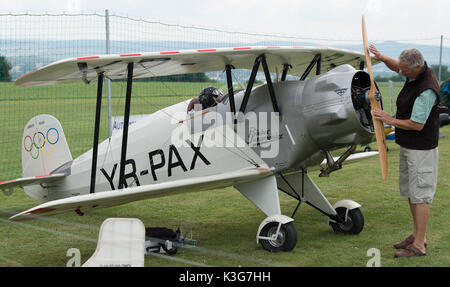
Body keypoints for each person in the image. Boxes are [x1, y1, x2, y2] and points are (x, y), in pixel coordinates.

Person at [369, 45, 441, 258]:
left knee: (420, 196)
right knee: (412, 193)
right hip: (409, 147)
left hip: (421, 150)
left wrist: (390, 120)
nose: (402, 74)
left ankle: (418, 246)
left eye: (406, 71)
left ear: (417, 67)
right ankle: (419, 236)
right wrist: (381, 57)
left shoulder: (426, 89)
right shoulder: (414, 73)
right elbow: (397, 67)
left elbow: (417, 124)